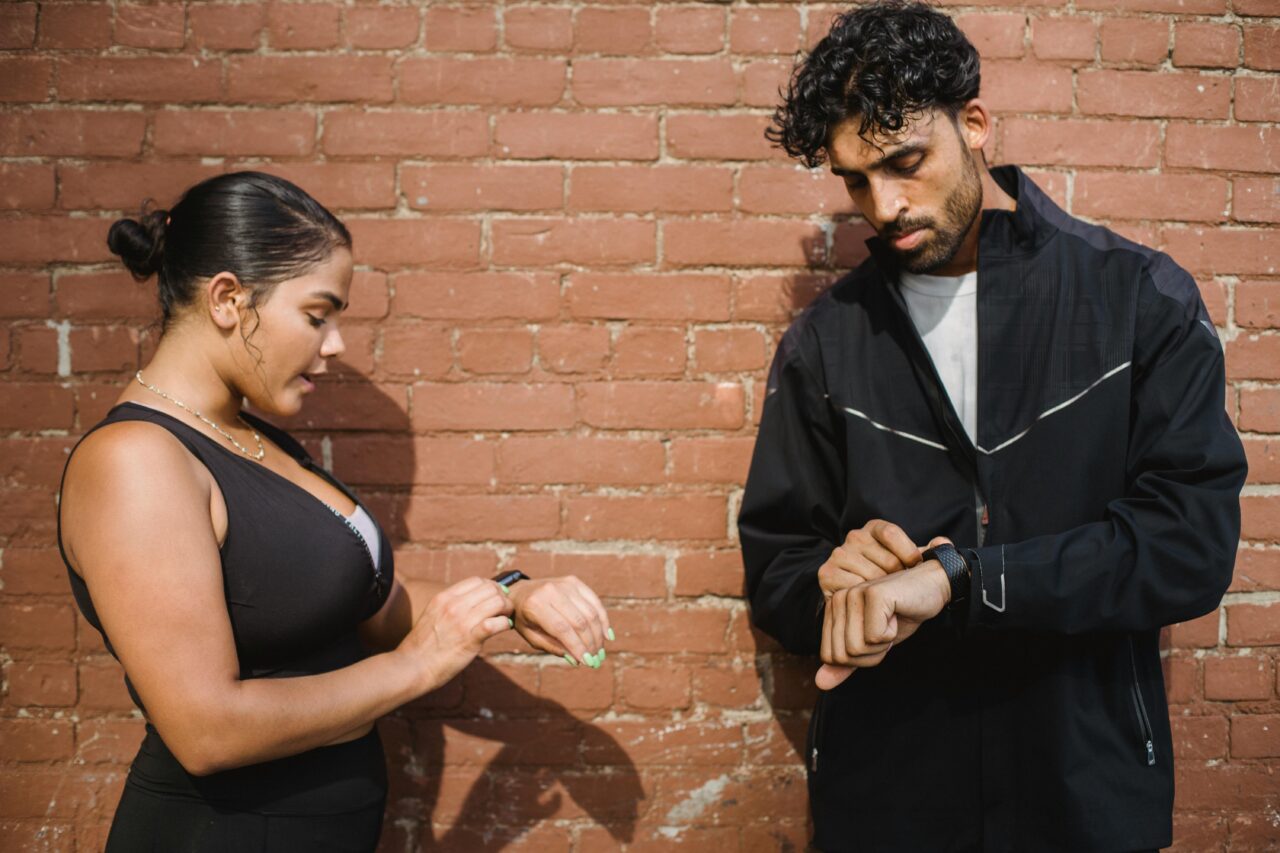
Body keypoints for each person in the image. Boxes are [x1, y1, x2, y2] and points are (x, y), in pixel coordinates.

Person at [738, 3, 1247, 852]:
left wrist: (962, 580)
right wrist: (830, 588)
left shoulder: (1135, 299)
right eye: (856, 181)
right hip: (890, 804)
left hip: (1082, 796)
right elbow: (778, 564)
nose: (884, 205)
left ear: (974, 124)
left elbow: (1188, 545)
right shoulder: (827, 342)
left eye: (905, 162)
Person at [58, 172, 614, 851]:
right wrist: (416, 668)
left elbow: (375, 606)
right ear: (229, 299)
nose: (335, 344)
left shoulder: (254, 440)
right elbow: (207, 729)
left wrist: (513, 596)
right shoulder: (136, 461)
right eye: (317, 315)